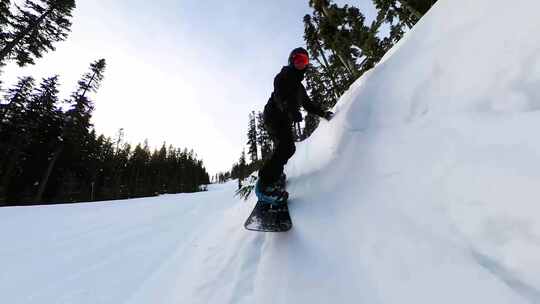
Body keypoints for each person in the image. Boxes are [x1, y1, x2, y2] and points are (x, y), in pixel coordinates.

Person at [255, 47, 334, 204]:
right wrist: (290, 110)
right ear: (292, 61)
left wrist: (323, 113)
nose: (301, 64)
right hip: (273, 116)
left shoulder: (300, 88)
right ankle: (264, 184)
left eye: (304, 61)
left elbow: (308, 105)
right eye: (298, 60)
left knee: (284, 148)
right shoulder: (282, 77)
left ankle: (276, 174)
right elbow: (279, 97)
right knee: (287, 147)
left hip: (284, 120)